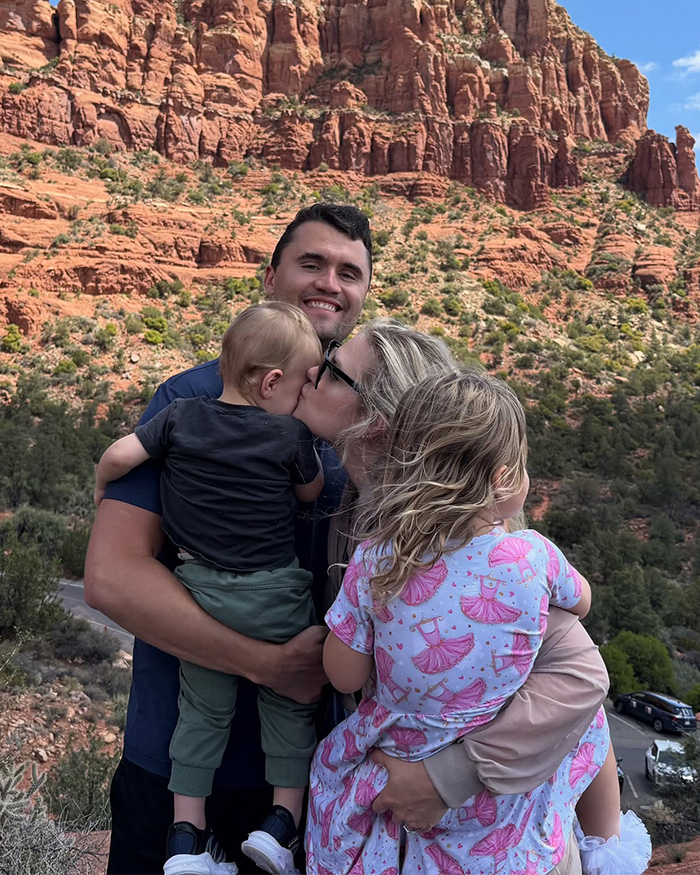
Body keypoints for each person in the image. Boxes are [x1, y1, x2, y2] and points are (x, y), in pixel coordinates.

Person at [86, 207, 608, 875]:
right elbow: (109, 577)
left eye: (350, 272)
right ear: (270, 275)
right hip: (182, 761)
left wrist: (451, 774)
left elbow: (569, 667)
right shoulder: (192, 402)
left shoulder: (424, 486)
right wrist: (266, 662)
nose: (329, 283)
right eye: (311, 263)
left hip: (324, 783)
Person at [304, 369, 651, 875]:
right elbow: (582, 603)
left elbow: (345, 675)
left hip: (399, 773)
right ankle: (603, 847)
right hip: (504, 808)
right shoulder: (531, 556)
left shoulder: (376, 560)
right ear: (504, 478)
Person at [94, 302, 325, 875]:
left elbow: (120, 455)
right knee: (291, 709)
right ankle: (281, 827)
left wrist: (101, 491)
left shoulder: (180, 414)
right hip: (276, 595)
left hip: (201, 594)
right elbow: (309, 493)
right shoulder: (291, 432)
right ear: (273, 383)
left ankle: (186, 840)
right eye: (300, 386)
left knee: (200, 715)